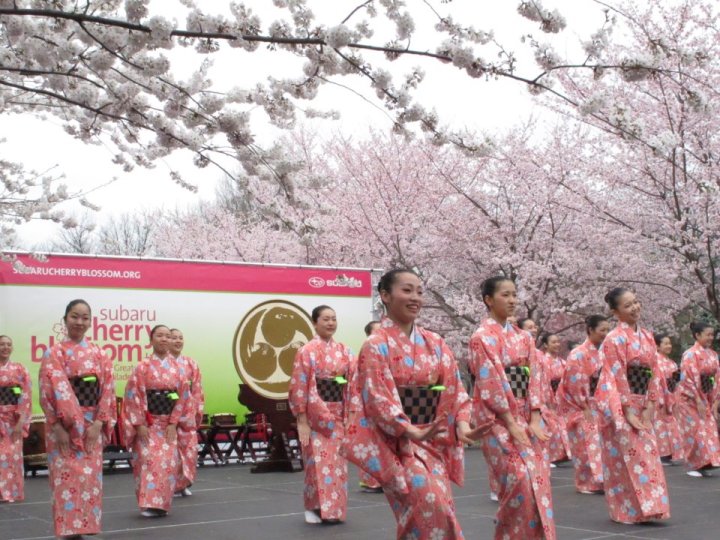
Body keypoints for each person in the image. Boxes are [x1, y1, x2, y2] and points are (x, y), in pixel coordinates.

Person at [345, 269, 481, 539]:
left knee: (431, 512)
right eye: (406, 290)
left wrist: (463, 425)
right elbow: (376, 397)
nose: (415, 297)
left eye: (419, 291)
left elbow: (455, 390)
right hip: (396, 444)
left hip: (433, 440)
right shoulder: (376, 344)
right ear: (385, 295)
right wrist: (409, 430)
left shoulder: (436, 342)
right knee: (429, 506)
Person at [469, 277, 556, 540]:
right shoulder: (481, 337)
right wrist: (510, 421)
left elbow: (537, 376)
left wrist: (535, 416)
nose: (512, 300)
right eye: (505, 295)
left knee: (537, 480)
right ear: (488, 300)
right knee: (518, 481)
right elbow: (490, 380)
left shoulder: (524, 337)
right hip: (498, 419)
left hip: (528, 415)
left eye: (514, 295)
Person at [39, 300, 117, 539]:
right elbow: (47, 391)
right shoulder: (54, 353)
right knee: (65, 478)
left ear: (90, 322)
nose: (79, 322)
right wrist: (57, 426)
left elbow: (108, 390)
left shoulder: (100, 354)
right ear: (65, 319)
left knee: (89, 479)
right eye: (74, 316)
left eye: (84, 317)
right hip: (63, 427)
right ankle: (68, 528)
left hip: (91, 424)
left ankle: (84, 526)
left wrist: (99, 423)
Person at [594, 287, 670, 524]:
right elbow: (614, 376)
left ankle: (651, 507)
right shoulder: (614, 339)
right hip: (620, 403)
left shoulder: (647, 336)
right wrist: (626, 409)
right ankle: (626, 509)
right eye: (627, 305)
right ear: (615, 312)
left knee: (646, 456)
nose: (634, 307)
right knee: (624, 458)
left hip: (643, 400)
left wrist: (650, 405)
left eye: (636, 302)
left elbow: (655, 372)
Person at [288, 305, 355, 524]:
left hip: (339, 413)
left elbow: (353, 382)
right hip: (315, 416)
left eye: (333, 319)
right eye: (325, 319)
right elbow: (300, 384)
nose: (330, 323)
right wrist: (302, 418)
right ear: (315, 322)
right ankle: (312, 507)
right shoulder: (307, 350)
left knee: (337, 464)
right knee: (315, 464)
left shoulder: (345, 350)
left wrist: (350, 413)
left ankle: (334, 510)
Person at [123, 325, 192, 517]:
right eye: (159, 336)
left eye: (168, 336)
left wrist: (173, 423)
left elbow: (183, 397)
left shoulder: (179, 368)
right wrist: (139, 424)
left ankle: (161, 505)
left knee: (168, 462)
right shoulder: (142, 367)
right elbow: (133, 395)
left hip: (167, 424)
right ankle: (149, 503)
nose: (164, 339)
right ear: (151, 340)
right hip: (149, 423)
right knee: (148, 460)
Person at [557, 315, 609, 494]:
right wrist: (584, 404)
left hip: (600, 402)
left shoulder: (604, 352)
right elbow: (575, 381)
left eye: (607, 330)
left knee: (599, 442)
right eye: (602, 330)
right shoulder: (578, 353)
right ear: (590, 330)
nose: (605, 333)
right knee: (584, 444)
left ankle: (601, 480)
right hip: (580, 403)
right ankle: (586, 482)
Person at [676, 321, 720, 477]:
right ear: (697, 335)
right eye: (707, 334)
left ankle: (705, 463)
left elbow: (716, 378)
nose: (711, 337)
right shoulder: (690, 354)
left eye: (712, 334)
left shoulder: (713, 355)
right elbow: (688, 379)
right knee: (695, 431)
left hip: (706, 397)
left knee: (708, 430)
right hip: (690, 400)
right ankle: (693, 465)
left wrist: (715, 400)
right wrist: (698, 399)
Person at [169, 328, 204, 497]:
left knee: (189, 449)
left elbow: (197, 389)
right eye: (174, 338)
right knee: (171, 451)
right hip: (167, 411)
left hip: (187, 411)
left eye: (180, 338)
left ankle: (184, 483)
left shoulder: (190, 363)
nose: (177, 341)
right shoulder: (161, 364)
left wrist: (196, 410)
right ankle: (172, 485)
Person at [0, 335, 31, 503]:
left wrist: (20, 422)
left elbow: (25, 396)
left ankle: (12, 492)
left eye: (8, 344)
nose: (5, 347)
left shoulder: (20, 370)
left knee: (12, 456)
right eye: (2, 344)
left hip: (13, 419)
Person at [357, 320, 384, 494]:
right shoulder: (367, 350)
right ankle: (370, 481)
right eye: (376, 331)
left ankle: (385, 479)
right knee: (370, 443)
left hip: (385, 401)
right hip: (369, 402)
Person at [540, 332, 571, 464]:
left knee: (563, 426)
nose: (557, 344)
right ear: (546, 345)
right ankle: (551, 457)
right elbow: (543, 382)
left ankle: (561, 455)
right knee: (552, 426)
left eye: (558, 342)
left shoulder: (563, 362)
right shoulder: (543, 361)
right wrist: (548, 400)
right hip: (548, 397)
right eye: (553, 342)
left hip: (560, 397)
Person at [653, 333, 684, 465]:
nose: (669, 346)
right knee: (660, 426)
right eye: (665, 343)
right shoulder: (655, 361)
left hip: (672, 394)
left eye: (669, 343)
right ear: (657, 346)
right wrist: (661, 398)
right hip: (660, 396)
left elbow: (676, 381)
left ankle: (670, 453)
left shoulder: (671, 363)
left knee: (672, 424)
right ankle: (662, 454)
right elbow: (656, 382)